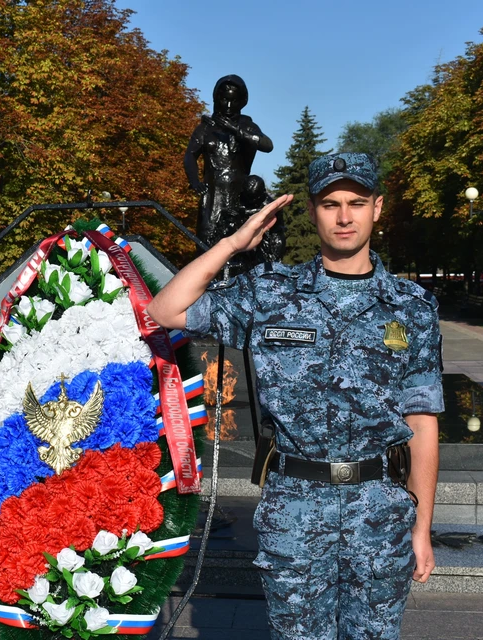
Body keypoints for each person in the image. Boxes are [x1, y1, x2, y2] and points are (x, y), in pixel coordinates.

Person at [148, 152, 442, 639]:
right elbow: (166, 309)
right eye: (330, 204)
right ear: (311, 211)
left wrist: (422, 527)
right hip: (295, 510)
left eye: (356, 202)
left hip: (380, 508)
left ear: (377, 208)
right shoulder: (271, 294)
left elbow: (423, 421)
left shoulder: (411, 307)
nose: (344, 216)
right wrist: (234, 242)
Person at [183, 74, 274, 248]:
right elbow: (190, 156)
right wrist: (194, 181)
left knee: (238, 245)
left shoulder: (247, 126)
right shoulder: (205, 128)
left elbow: (267, 145)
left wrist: (234, 129)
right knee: (206, 243)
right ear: (217, 98)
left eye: (234, 101)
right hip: (211, 196)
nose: (229, 106)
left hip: (238, 195)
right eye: (224, 100)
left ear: (242, 102)